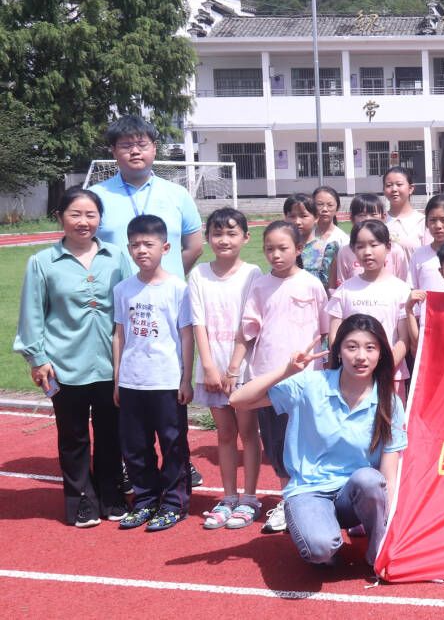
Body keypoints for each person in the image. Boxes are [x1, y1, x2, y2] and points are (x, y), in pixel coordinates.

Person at [230, 314, 406, 567]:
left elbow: (388, 477)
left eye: (370, 348)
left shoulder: (389, 402)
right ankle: (317, 530)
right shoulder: (310, 385)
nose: (361, 356)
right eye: (352, 347)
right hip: (310, 491)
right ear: (338, 352)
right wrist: (287, 371)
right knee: (320, 550)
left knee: (369, 479)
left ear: (381, 354)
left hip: (354, 496)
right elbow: (238, 400)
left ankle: (377, 549)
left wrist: (389, 528)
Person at [14, 188, 130, 527]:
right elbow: (32, 314)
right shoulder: (42, 262)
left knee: (111, 434)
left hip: (111, 364)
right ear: (60, 217)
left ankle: (111, 495)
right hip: (63, 365)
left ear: (100, 219)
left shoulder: (117, 256)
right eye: (75, 214)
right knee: (73, 436)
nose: (83, 222)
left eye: (90, 215)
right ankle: (81, 500)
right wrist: (37, 358)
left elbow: (130, 306)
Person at [229, 220, 330, 534]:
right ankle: (287, 501)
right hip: (269, 378)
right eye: (269, 249)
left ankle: (310, 502)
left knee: (307, 442)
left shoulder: (312, 284)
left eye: (283, 248)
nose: (275, 255)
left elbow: (325, 330)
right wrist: (234, 368)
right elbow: (247, 332)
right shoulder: (260, 286)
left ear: (298, 249)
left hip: (306, 380)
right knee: (276, 442)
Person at [112, 215, 193, 532]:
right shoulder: (123, 289)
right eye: (135, 245)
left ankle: (174, 503)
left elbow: (186, 335)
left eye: (149, 244)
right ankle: (145, 500)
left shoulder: (178, 289)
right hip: (132, 380)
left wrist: (185, 378)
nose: (141, 250)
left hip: (166, 380)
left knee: (173, 445)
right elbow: (120, 334)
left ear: (165, 247)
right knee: (135, 447)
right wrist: (117, 379)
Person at [188, 207, 264, 529]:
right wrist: (208, 366)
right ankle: (229, 496)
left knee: (248, 433)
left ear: (245, 237)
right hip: (212, 370)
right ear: (207, 238)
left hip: (242, 370)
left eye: (232, 233)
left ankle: (250, 497)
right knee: (225, 434)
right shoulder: (198, 274)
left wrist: (233, 368)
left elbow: (250, 323)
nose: (224, 240)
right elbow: (198, 322)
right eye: (217, 233)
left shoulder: (253, 273)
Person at [88, 114, 203, 279]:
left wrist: (165, 280)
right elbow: (82, 249)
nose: (135, 151)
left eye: (142, 145)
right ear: (113, 151)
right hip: (115, 293)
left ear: (154, 148)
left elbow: (195, 247)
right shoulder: (95, 196)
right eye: (126, 146)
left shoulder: (178, 194)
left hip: (168, 294)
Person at [328, 220, 412, 401]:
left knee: (389, 418)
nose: (367, 252)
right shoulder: (345, 290)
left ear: (388, 247)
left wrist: (384, 367)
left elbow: (404, 339)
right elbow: (334, 336)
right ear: (352, 249)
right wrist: (351, 365)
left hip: (391, 376)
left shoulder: (401, 290)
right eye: (360, 246)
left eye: (374, 245)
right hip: (351, 377)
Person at [329, 193, 410, 290]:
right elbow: (342, 285)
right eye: (362, 215)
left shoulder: (395, 250)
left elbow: (403, 284)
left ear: (383, 217)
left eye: (373, 214)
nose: (368, 219)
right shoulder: (345, 251)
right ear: (352, 219)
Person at [409, 195, 444, 294]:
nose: (438, 226)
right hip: (427, 305)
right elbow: (412, 289)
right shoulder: (418, 255)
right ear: (426, 223)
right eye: (432, 220)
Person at [286, 193, 337, 288]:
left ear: (316, 217)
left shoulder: (326, 248)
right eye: (292, 216)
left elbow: (330, 285)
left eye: (303, 216)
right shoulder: (282, 249)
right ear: (285, 217)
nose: (297, 222)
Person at [382, 166, 425, 254]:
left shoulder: (422, 222)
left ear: (410, 189)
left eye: (399, 184)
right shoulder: (380, 221)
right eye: (389, 185)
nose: (394, 189)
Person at [312, 186, 349, 250]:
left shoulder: (343, 239)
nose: (325, 209)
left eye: (330, 205)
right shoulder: (306, 235)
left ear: (337, 208)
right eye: (320, 204)